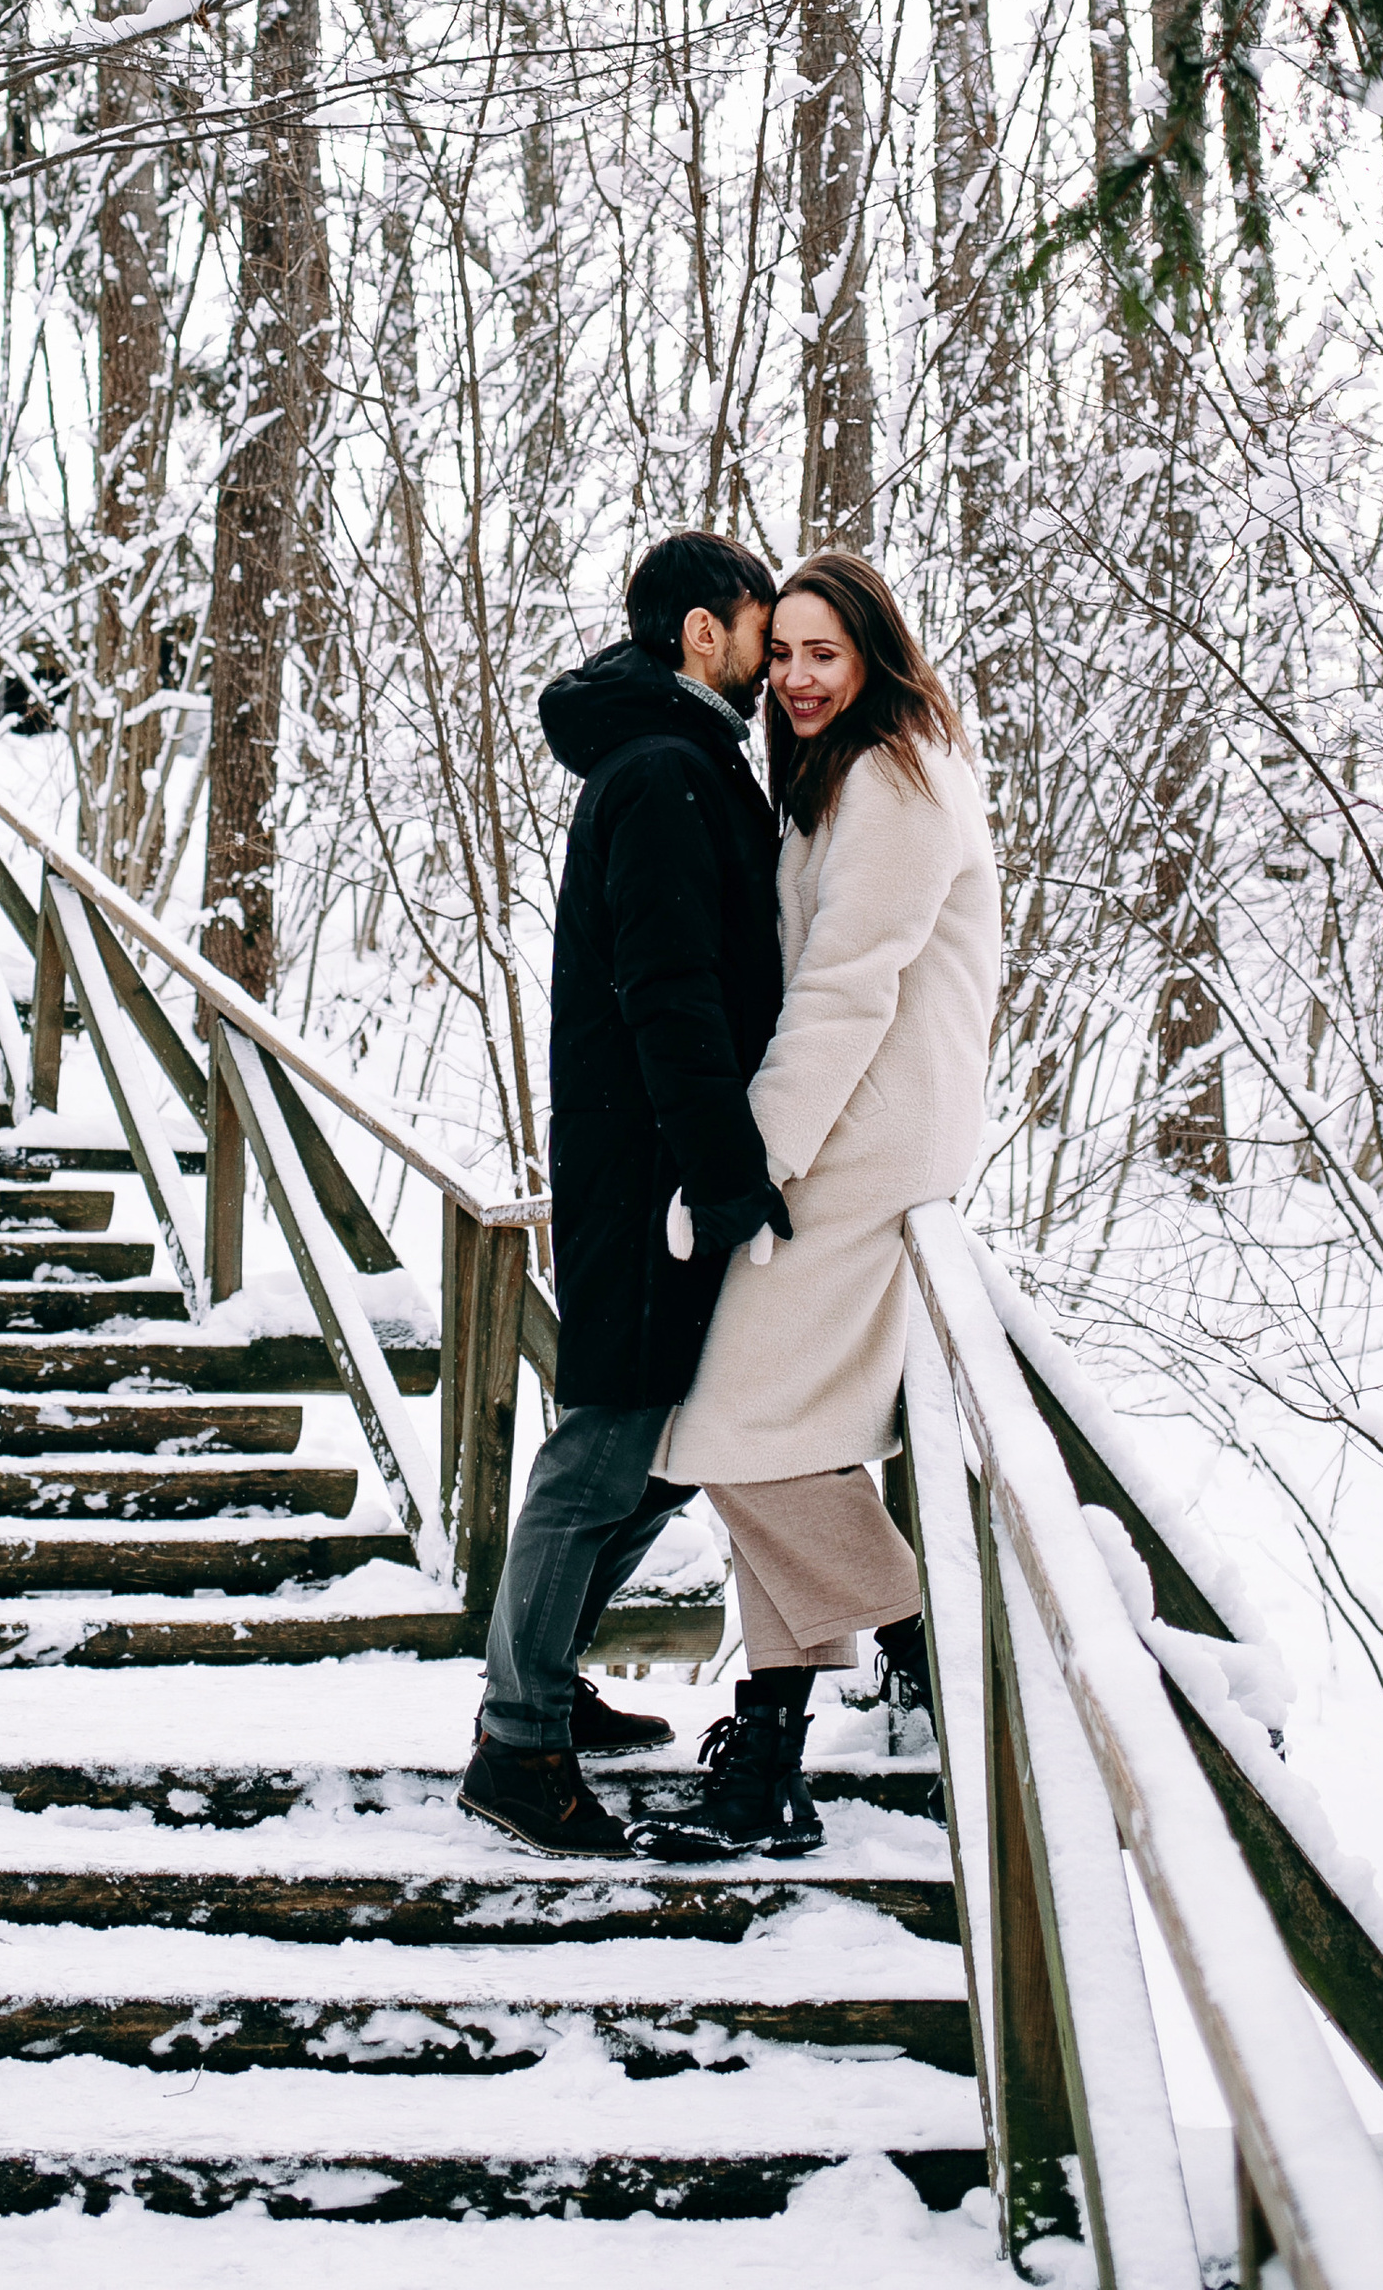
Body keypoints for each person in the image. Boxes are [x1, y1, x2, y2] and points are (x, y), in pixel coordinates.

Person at [657, 549, 1000, 1855]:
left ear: (874, 657)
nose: (797, 678)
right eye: (786, 653)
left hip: (865, 1144)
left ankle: (932, 1644)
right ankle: (771, 1764)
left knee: (731, 1426)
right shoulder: (846, 776)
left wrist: (743, 1170)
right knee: (775, 1436)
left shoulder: (899, 780)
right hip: (849, 1134)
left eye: (825, 654)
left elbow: (848, 990)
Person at [458, 527, 788, 1858]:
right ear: (704, 633)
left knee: (663, 1453)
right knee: (605, 1451)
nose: (772, 655)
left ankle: (542, 1681)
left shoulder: (682, 761)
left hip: (654, 1164)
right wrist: (724, 1173)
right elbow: (670, 993)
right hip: (652, 1172)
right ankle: (518, 1746)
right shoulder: (662, 771)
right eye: (760, 627)